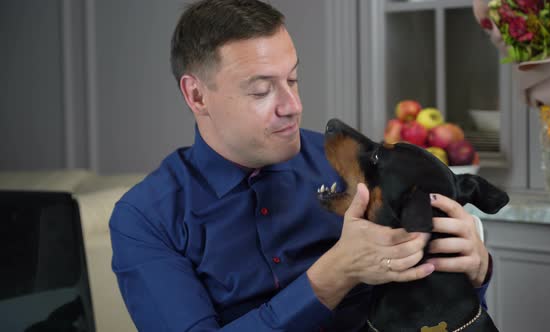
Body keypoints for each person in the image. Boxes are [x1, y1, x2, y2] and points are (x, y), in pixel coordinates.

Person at [109, 0, 493, 331]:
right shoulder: (144, 219)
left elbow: (427, 302)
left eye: (293, 79)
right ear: (196, 95)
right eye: (261, 90)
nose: (292, 105)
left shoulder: (347, 160)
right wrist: (334, 275)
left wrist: (473, 270)